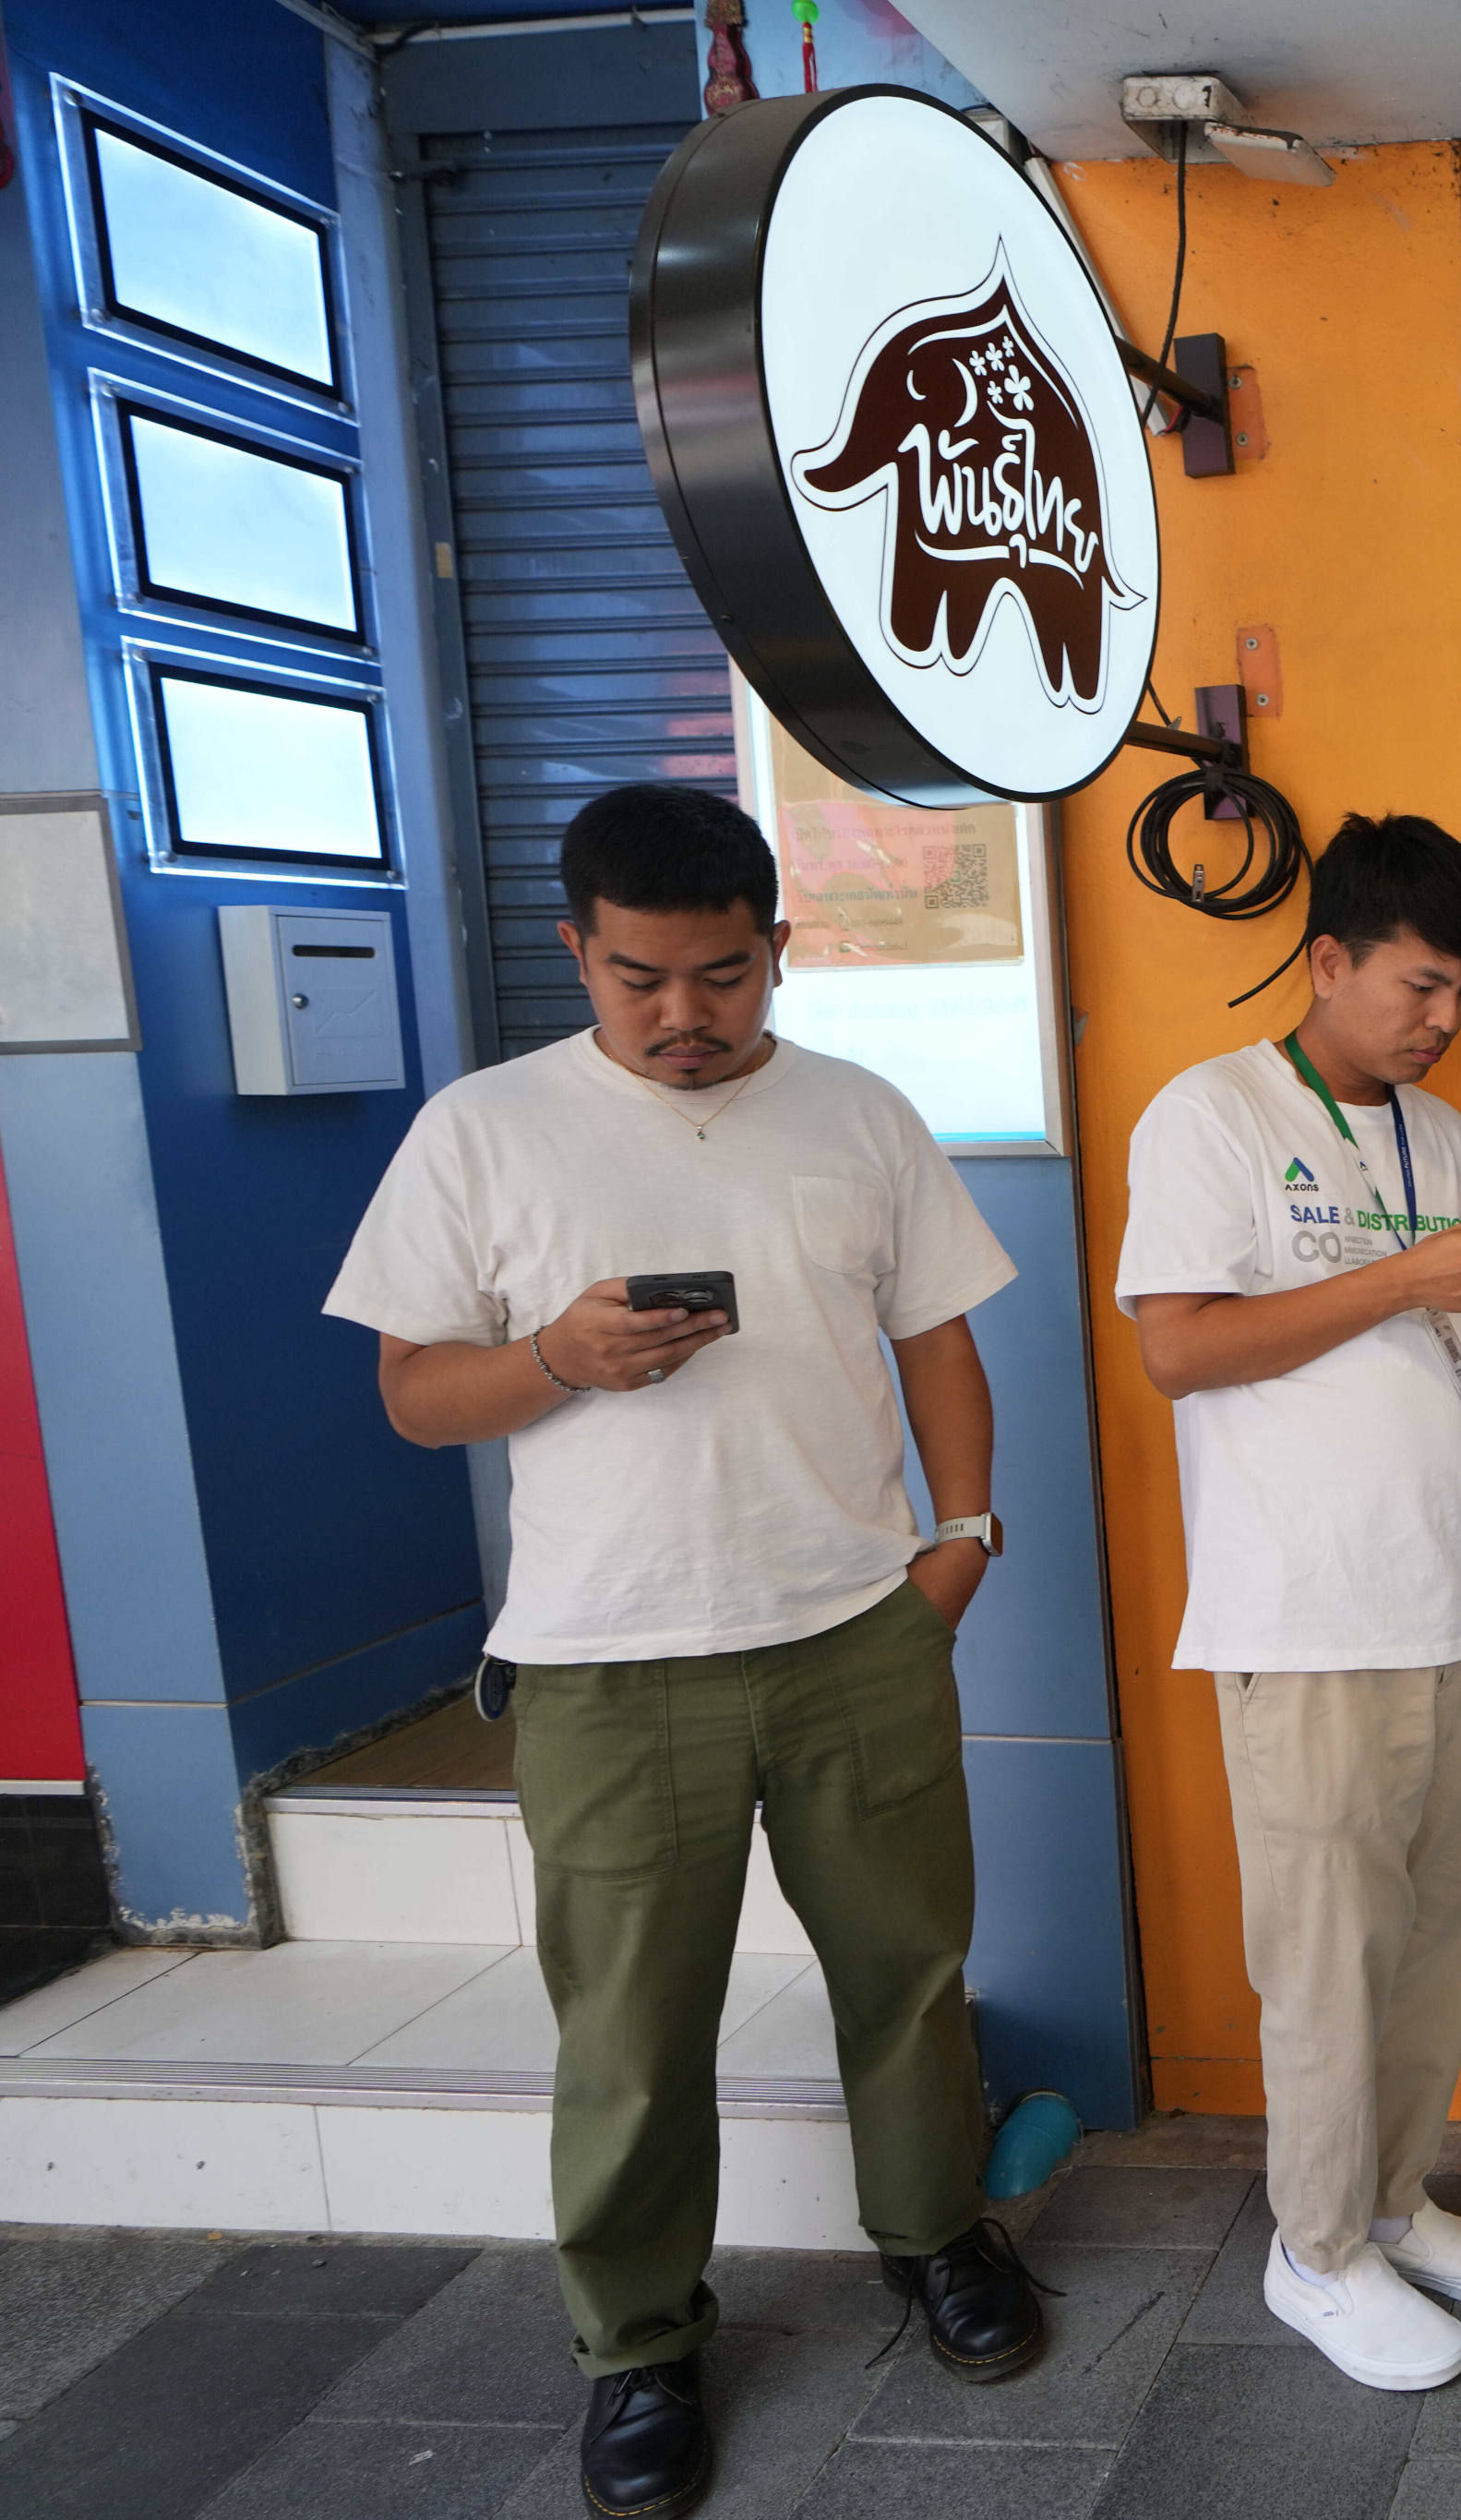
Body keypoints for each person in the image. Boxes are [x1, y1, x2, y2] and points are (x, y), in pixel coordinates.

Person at [326, 783, 1046, 2520]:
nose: (682, 1015)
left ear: (779, 951)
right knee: (635, 2031)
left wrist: (960, 1544)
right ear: (577, 949)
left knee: (909, 1972)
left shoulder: (859, 1114)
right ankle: (638, 2342)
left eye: (723, 976)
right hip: (603, 1657)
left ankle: (939, 2236)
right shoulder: (482, 1131)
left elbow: (941, 1344)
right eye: (638, 976)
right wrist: (559, 1356)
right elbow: (415, 1391)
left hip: (854, 1630)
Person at [1117, 814, 1461, 2392]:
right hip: (1301, 1620)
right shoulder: (1209, 1115)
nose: (1442, 1019)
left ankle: (1392, 2202)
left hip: (1444, 1601)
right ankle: (1313, 2249)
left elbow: (1447, 1360)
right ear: (1327, 960)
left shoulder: (1442, 1134)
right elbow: (1181, 1346)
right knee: (1325, 1961)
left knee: (1431, 1939)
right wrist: (1413, 1275)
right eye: (1418, 985)